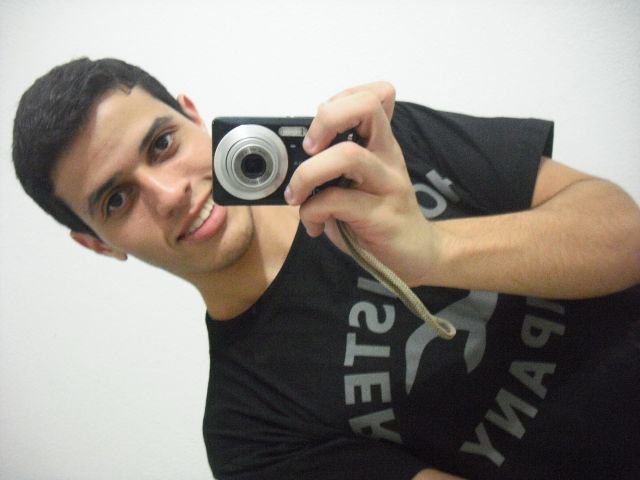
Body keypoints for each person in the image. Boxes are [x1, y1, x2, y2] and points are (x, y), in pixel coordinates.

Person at [12, 57, 640, 480]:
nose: (169, 193)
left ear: (193, 115)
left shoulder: (364, 153)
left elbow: (625, 233)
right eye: (116, 200)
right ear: (99, 245)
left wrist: (435, 251)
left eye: (162, 144)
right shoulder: (250, 438)